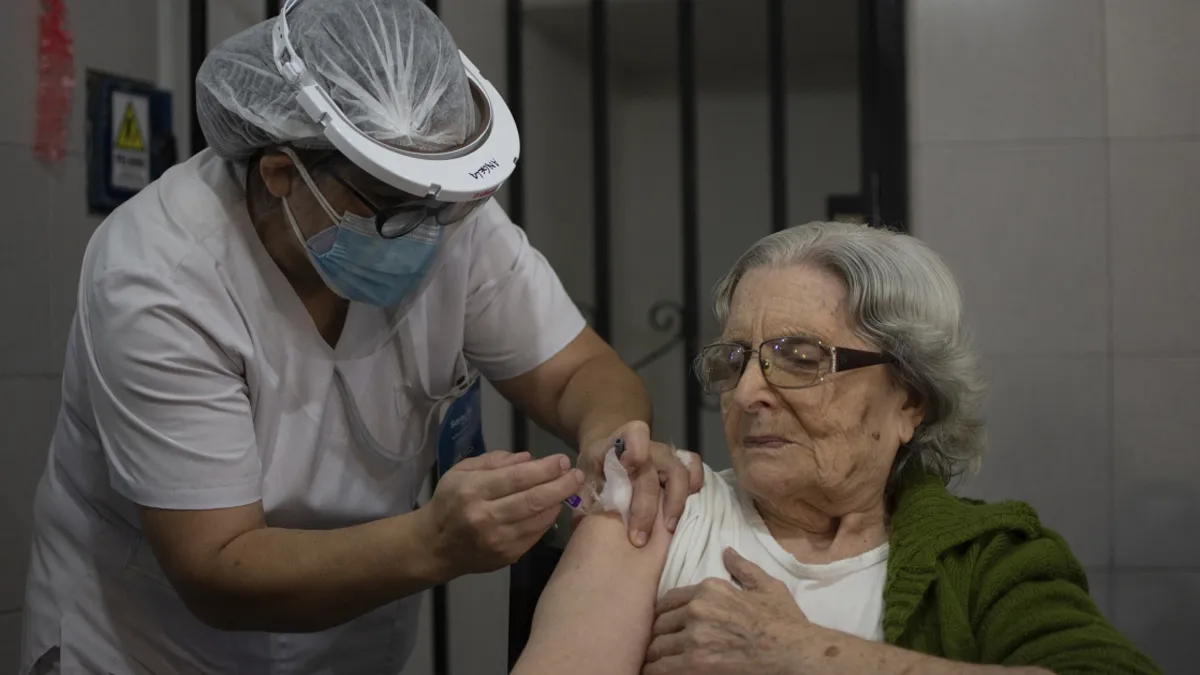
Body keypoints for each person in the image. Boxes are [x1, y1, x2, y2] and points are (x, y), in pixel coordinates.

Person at [18, 1, 700, 673]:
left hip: (348, 639)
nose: (431, 232)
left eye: (447, 207)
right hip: (151, 646)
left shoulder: (444, 218)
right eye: (395, 210)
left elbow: (578, 370)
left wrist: (612, 438)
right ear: (282, 173)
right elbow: (216, 565)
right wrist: (435, 541)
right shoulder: (160, 274)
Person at [510, 222, 1162, 675]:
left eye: (800, 358)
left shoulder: (988, 557)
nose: (746, 393)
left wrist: (797, 653)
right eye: (736, 360)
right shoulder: (653, 511)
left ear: (909, 398)